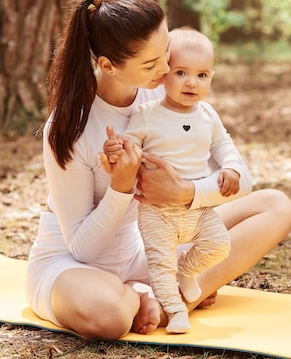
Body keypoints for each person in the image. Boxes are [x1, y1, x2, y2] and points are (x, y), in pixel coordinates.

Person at [25, 0, 291, 340]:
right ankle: (144, 297)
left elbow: (238, 179)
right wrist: (121, 186)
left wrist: (186, 192)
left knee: (275, 205)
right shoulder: (69, 126)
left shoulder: (164, 91)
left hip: (150, 244)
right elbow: (81, 247)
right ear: (107, 65)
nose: (167, 69)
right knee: (107, 318)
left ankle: (177, 295)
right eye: (151, 64)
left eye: (165, 51)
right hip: (75, 268)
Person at [102, 27, 243, 333]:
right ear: (165, 74)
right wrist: (118, 148)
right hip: (157, 211)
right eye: (181, 72)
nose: (192, 82)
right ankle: (176, 310)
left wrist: (230, 167)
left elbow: (224, 145)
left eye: (202, 75)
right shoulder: (148, 113)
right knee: (160, 264)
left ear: (211, 77)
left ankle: (187, 271)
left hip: (197, 208)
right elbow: (131, 143)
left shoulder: (208, 115)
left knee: (219, 245)